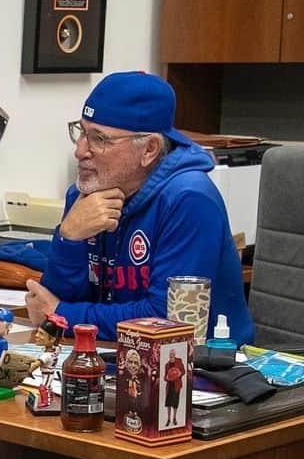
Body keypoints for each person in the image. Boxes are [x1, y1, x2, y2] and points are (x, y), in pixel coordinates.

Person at [24, 71, 254, 345]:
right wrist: (68, 237)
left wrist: (64, 315)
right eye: (81, 132)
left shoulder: (189, 199)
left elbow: (166, 321)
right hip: (110, 355)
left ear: (149, 149)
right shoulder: (84, 193)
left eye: (99, 139)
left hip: (202, 371)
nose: (80, 150)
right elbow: (50, 302)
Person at [163, 347, 186, 426]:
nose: (171, 355)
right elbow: (165, 377)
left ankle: (174, 418)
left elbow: (183, 371)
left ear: (175, 354)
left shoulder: (179, 361)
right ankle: (168, 419)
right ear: (169, 355)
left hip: (177, 386)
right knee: (168, 404)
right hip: (169, 386)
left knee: (175, 403)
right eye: (170, 354)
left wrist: (179, 373)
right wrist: (167, 378)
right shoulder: (167, 364)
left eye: (173, 354)